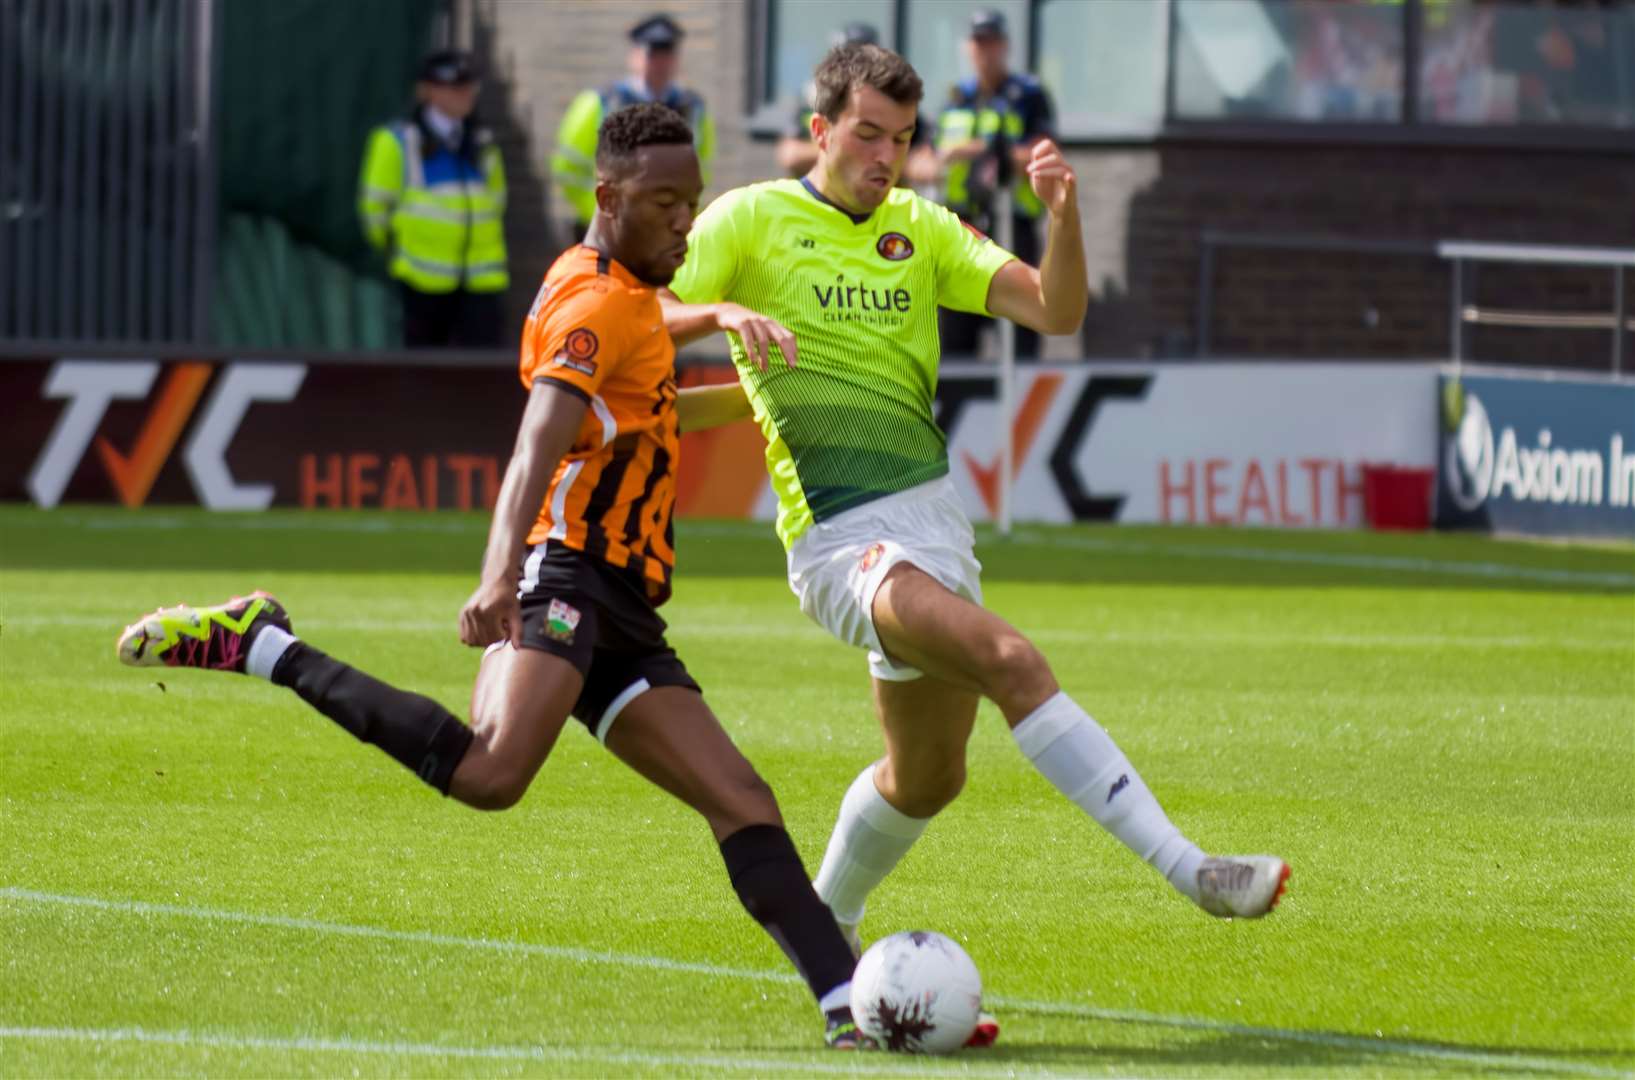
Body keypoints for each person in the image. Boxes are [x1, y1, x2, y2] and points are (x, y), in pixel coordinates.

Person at [119, 104, 869, 1051]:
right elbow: (534, 443)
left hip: (624, 606)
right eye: (664, 203)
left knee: (742, 799)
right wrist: (497, 574)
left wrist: (776, 399)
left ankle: (853, 1011)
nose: (686, 221)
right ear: (608, 197)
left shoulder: (620, 292)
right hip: (568, 577)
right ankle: (263, 645)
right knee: (490, 771)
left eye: (693, 201)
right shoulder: (598, 305)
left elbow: (659, 408)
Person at [658, 42, 1291, 1001]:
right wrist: (715, 314)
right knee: (1013, 662)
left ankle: (824, 928)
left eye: (903, 139)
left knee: (927, 777)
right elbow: (641, 311)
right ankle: (1190, 870)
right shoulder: (750, 217)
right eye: (867, 134)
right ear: (820, 130)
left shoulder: (921, 227)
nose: (885, 155)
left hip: (935, 528)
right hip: (840, 540)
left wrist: (1066, 221)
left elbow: (1056, 310)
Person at [358, 49, 509, 348]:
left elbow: (497, 200)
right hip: (421, 280)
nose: (465, 95)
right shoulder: (397, 141)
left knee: (480, 374)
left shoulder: (481, 142)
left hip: (481, 280)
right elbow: (375, 211)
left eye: (468, 87)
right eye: (454, 88)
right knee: (425, 372)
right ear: (428, 91)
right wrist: (399, 250)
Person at [933, 9, 1055, 359]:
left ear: (1005, 46)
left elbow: (1042, 152)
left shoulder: (1028, 95)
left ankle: (1023, 412)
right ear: (967, 47)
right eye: (978, 42)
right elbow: (932, 156)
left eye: (992, 42)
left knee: (1021, 332)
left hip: (1011, 227)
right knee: (955, 332)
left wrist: (977, 150)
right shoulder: (955, 97)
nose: (985, 50)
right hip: (961, 228)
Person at [553, 13, 716, 239]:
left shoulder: (693, 109)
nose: (660, 64)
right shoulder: (599, 104)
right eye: (653, 55)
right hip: (610, 233)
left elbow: (701, 172)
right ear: (635, 56)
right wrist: (605, 213)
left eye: (667, 55)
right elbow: (568, 170)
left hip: (666, 234)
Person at [776, 22, 934, 184]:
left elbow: (926, 166)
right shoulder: (809, 104)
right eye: (866, 134)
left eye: (900, 139)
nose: (854, 70)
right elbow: (791, 155)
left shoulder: (898, 109)